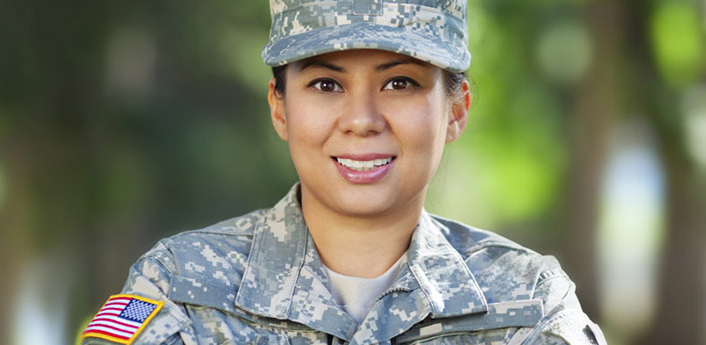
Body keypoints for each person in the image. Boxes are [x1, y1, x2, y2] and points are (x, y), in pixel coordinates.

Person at [80, 0, 606, 344]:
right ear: (280, 107)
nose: (361, 120)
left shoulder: (527, 303)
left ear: (457, 110)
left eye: (399, 83)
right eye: (326, 85)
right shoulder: (181, 287)